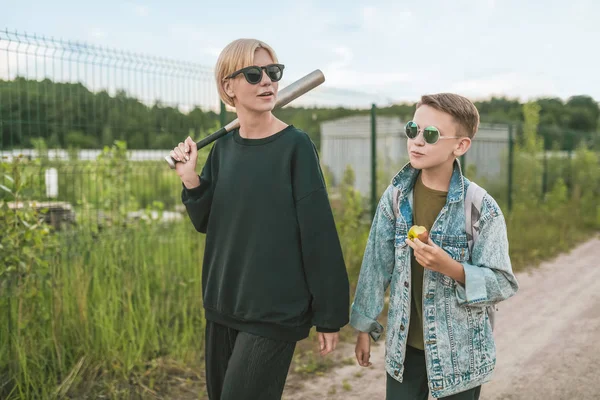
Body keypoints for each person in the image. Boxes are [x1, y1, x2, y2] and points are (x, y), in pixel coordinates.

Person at [170, 38, 350, 400]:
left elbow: (318, 233)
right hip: (223, 303)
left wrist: (329, 314)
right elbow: (208, 222)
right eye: (253, 74)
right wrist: (191, 178)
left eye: (273, 72)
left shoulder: (295, 147)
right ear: (228, 87)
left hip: (273, 312)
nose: (267, 81)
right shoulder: (223, 150)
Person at [350, 93, 519, 399]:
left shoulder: (481, 207)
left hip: (461, 358)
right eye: (412, 130)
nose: (416, 141)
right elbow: (376, 264)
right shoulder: (396, 197)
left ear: (460, 145)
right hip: (405, 353)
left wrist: (449, 267)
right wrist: (364, 325)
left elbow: (502, 283)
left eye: (430, 135)